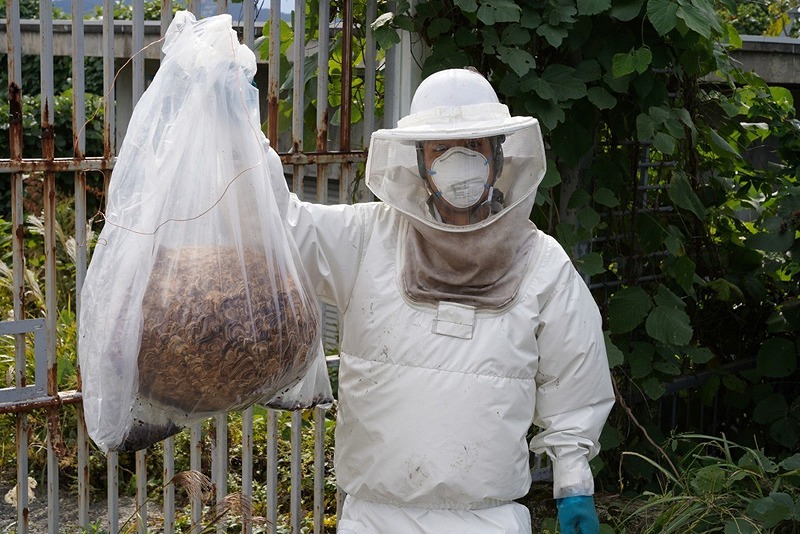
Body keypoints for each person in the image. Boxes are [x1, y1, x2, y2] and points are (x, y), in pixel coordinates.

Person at [265, 68, 615, 533]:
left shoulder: (543, 264)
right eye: (441, 149)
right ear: (419, 160)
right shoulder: (366, 237)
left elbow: (575, 379)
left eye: (473, 146)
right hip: (374, 515)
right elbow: (281, 227)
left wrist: (573, 482)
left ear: (497, 154)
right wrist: (234, 126)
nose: (458, 160)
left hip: (487, 518)